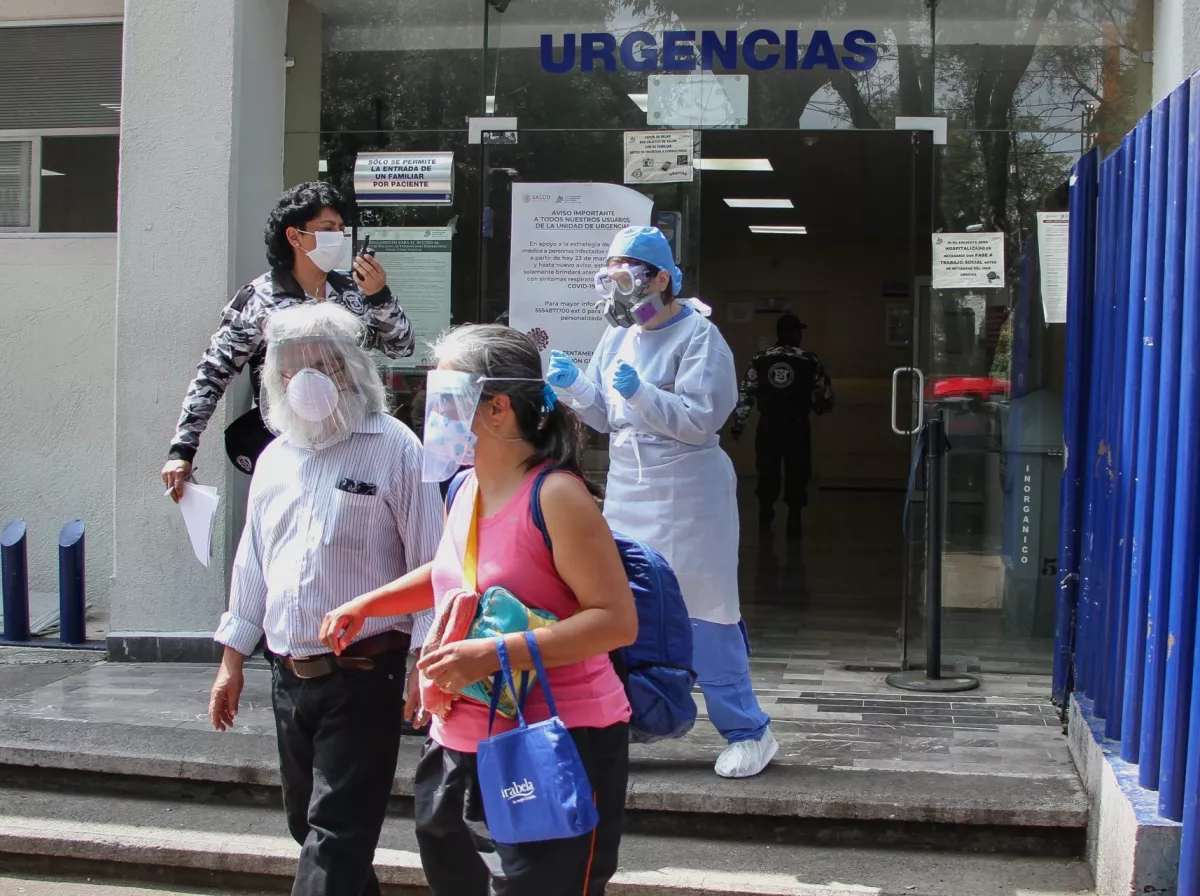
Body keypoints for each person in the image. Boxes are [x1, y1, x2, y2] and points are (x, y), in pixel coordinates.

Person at [319, 324, 638, 896]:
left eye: (443, 397)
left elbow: (616, 621)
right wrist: (370, 604)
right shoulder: (465, 487)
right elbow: (454, 575)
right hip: (462, 731)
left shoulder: (558, 496)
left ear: (495, 409)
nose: (427, 409)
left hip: (557, 739)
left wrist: (490, 654)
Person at [206, 302, 441, 896]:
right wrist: (232, 660)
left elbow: (431, 565)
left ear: (349, 368)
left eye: (322, 363)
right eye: (291, 366)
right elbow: (254, 562)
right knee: (309, 826)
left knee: (334, 834)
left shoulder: (395, 448)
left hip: (364, 673)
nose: (306, 378)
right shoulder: (275, 457)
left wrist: (423, 664)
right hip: (288, 676)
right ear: (275, 378)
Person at [546, 225, 777, 779]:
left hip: (689, 491)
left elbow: (702, 421)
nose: (620, 287)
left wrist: (642, 394)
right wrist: (577, 387)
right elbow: (603, 416)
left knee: (705, 610)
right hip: (630, 486)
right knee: (626, 605)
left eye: (628, 274)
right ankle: (628, 719)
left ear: (662, 278)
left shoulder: (700, 336)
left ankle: (748, 730)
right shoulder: (619, 337)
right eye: (610, 275)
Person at [162, 181, 415, 498]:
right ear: (295, 236)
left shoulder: (353, 292)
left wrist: (380, 296)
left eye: (340, 227)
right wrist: (182, 450)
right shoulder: (258, 300)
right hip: (290, 447)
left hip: (356, 446)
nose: (338, 235)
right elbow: (212, 375)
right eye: (327, 228)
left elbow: (401, 347)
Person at [731, 313, 835, 539]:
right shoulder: (809, 360)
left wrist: (739, 423)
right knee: (798, 471)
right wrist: (821, 407)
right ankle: (794, 518)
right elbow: (824, 394)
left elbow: (746, 392)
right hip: (797, 426)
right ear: (796, 334)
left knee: (767, 470)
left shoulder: (760, 359)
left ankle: (765, 515)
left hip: (769, 425)